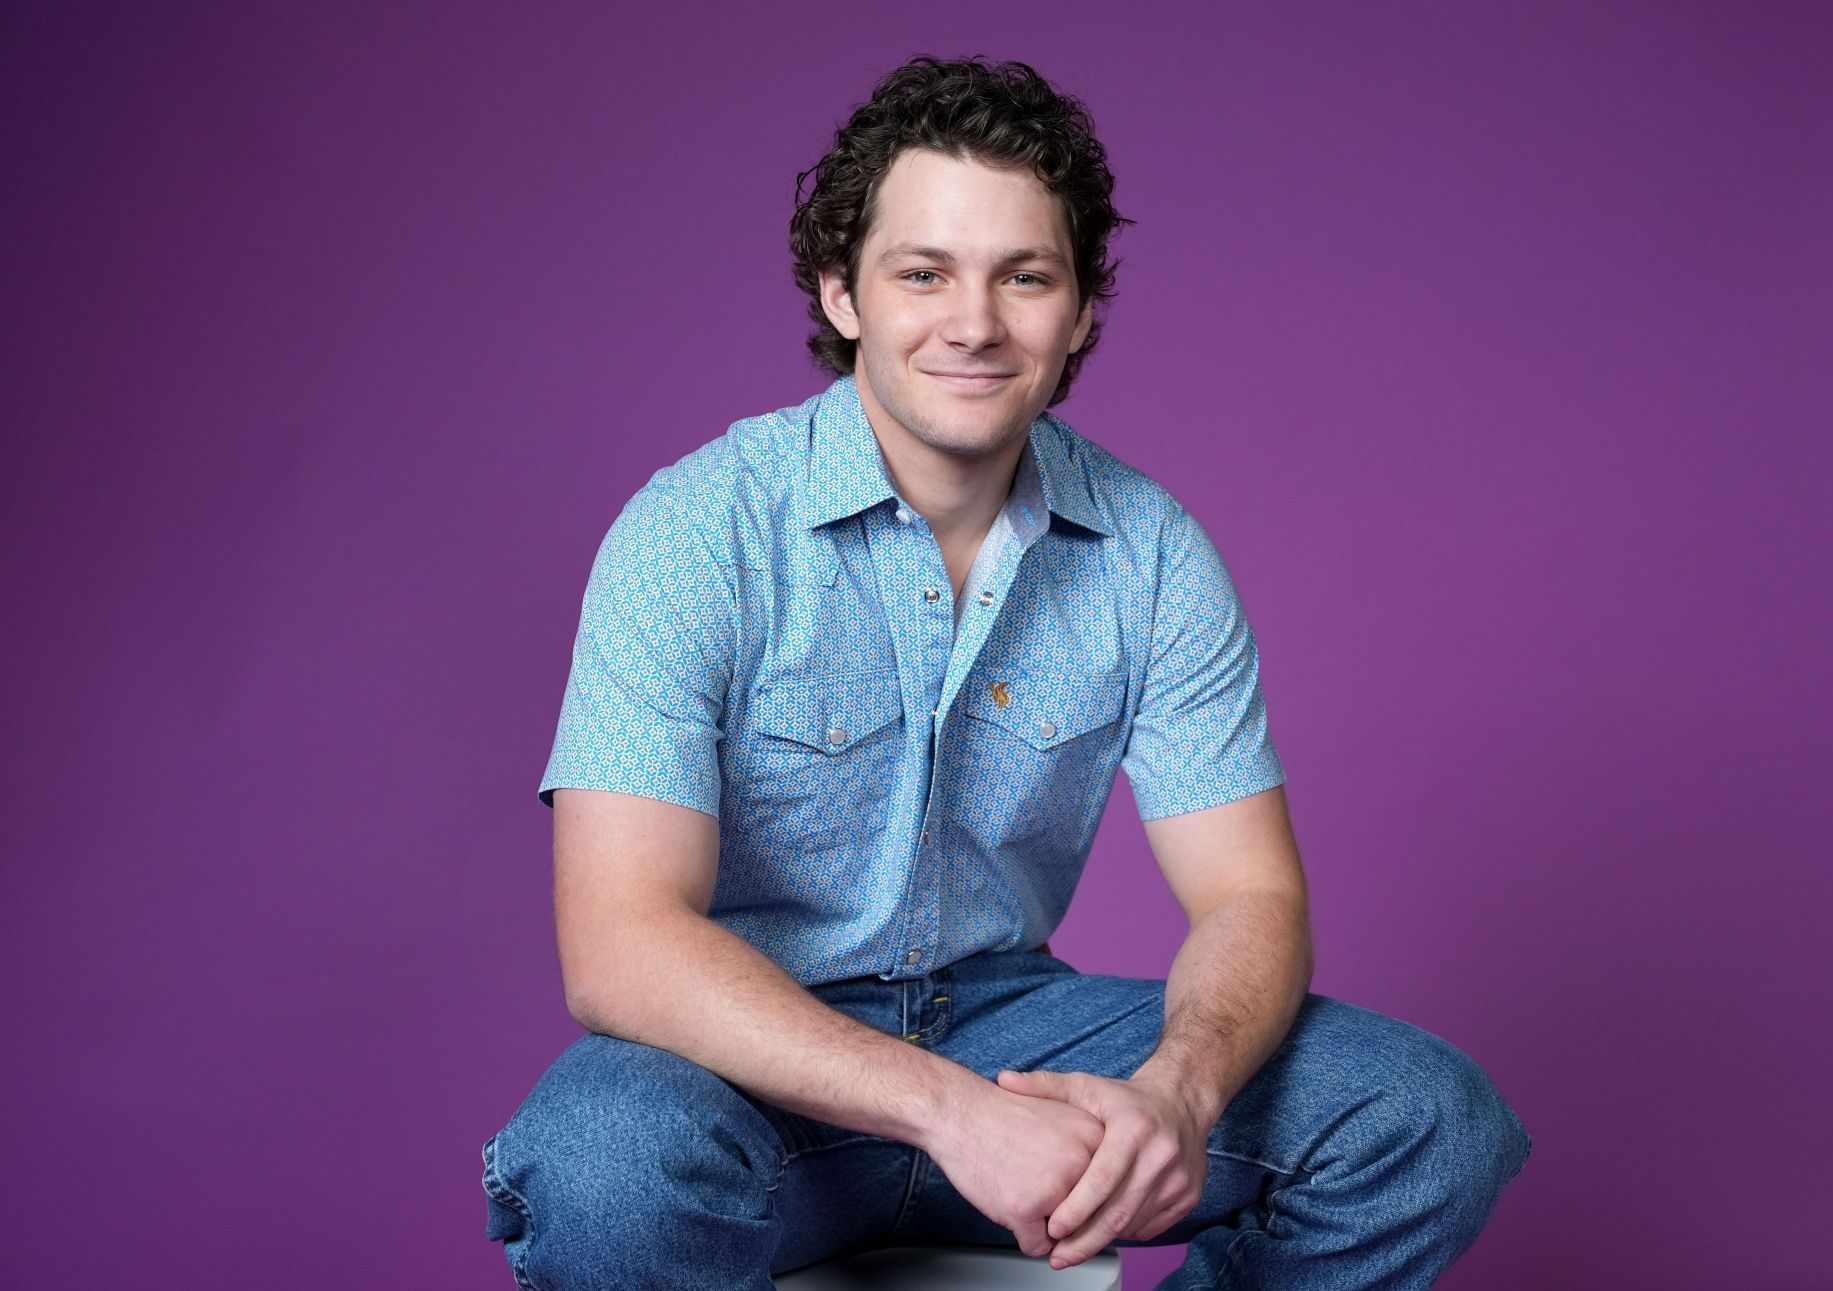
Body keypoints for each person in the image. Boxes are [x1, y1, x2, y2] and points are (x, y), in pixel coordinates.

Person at [482, 53, 1530, 1289]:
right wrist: (944, 1110)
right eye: (922, 272)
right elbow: (620, 942)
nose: (974, 323)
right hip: (746, 1073)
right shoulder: (694, 532)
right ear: (843, 293)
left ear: (1080, 310)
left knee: (1425, 1122)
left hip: (1018, 1031)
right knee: (602, 1156)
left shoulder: (1150, 554)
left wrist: (1176, 1095)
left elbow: (1252, 897)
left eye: (1023, 276)